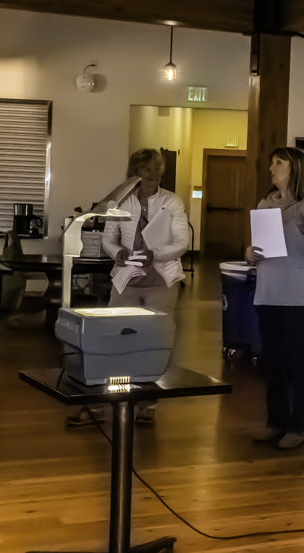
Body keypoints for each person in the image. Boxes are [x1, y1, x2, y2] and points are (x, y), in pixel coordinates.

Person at [66, 148, 189, 426]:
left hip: (161, 281)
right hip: (126, 281)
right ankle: (101, 404)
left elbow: (182, 242)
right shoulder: (121, 202)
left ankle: (148, 403)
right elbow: (108, 239)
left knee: (156, 342)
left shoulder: (172, 201)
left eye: (157, 168)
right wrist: (118, 252)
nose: (154, 174)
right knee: (113, 340)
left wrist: (155, 254)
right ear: (135, 173)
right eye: (147, 169)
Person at [247, 147, 304, 450]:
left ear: (295, 168)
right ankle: (275, 421)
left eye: (278, 162)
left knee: (300, 362)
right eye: (272, 162)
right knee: (273, 363)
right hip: (268, 291)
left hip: (299, 294)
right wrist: (249, 253)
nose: (271, 168)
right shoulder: (266, 203)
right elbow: (259, 247)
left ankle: (299, 425)